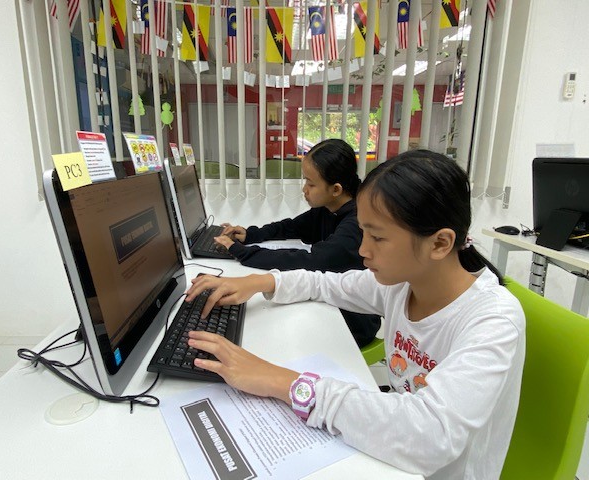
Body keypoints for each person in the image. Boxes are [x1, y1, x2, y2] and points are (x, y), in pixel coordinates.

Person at [184, 150, 526, 479]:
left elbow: (429, 437)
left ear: (439, 243)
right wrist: (260, 282)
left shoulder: (492, 320)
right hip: (391, 454)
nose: (363, 250)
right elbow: (325, 284)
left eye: (377, 237)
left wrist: (280, 381)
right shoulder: (403, 284)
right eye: (364, 233)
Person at [215, 138, 380, 347]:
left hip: (353, 323)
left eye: (311, 184)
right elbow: (291, 226)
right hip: (329, 303)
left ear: (336, 189)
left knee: (273, 331)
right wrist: (250, 235)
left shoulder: (356, 223)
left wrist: (242, 252)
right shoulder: (328, 209)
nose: (304, 189)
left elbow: (312, 260)